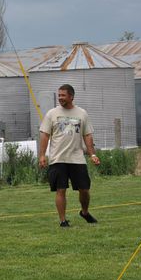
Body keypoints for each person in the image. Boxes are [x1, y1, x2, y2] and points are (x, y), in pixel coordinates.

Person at [38, 84, 101, 228]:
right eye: (59, 95)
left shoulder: (82, 113)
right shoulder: (52, 114)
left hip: (77, 158)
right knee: (61, 189)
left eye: (63, 95)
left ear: (71, 96)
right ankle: (63, 221)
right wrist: (42, 155)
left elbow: (88, 135)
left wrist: (92, 154)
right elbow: (44, 135)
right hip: (58, 158)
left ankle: (84, 212)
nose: (60, 98)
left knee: (84, 189)